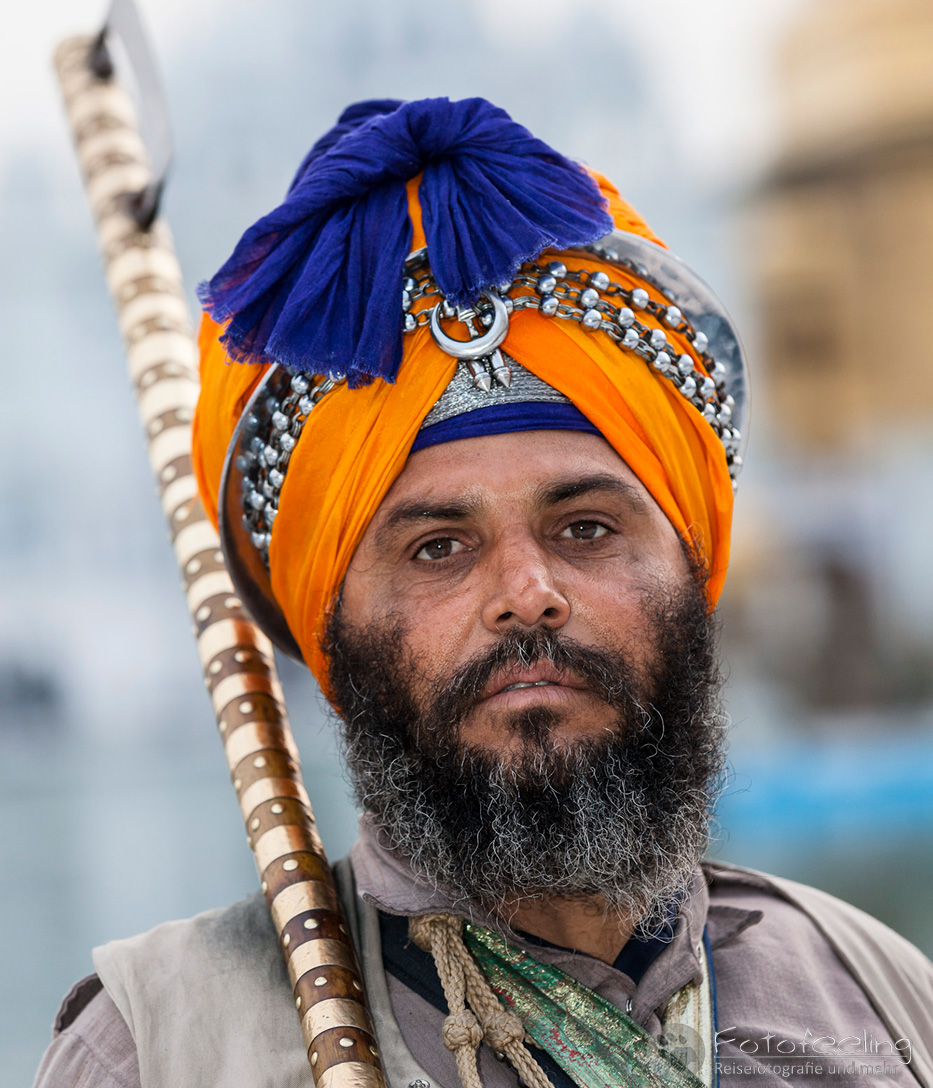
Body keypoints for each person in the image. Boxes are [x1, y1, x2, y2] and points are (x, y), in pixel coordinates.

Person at [35, 98, 933, 1088]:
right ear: (334, 629)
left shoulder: (879, 998)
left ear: (690, 565)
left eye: (585, 527)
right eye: (438, 548)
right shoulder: (159, 1053)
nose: (527, 594)